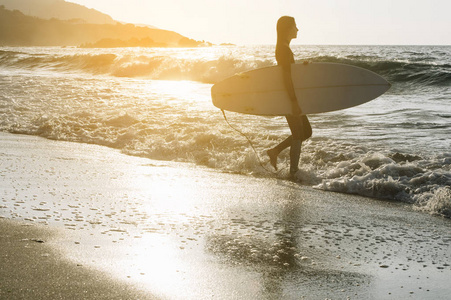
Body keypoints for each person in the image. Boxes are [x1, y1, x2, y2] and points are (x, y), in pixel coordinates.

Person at [267, 16, 312, 178]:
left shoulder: (284, 48)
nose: (297, 29)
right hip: (289, 97)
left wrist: (302, 69)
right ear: (287, 29)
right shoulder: (283, 50)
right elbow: (286, 78)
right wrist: (293, 102)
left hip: (291, 96)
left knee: (306, 131)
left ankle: (274, 151)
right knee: (299, 133)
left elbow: (290, 74)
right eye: (295, 26)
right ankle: (293, 172)